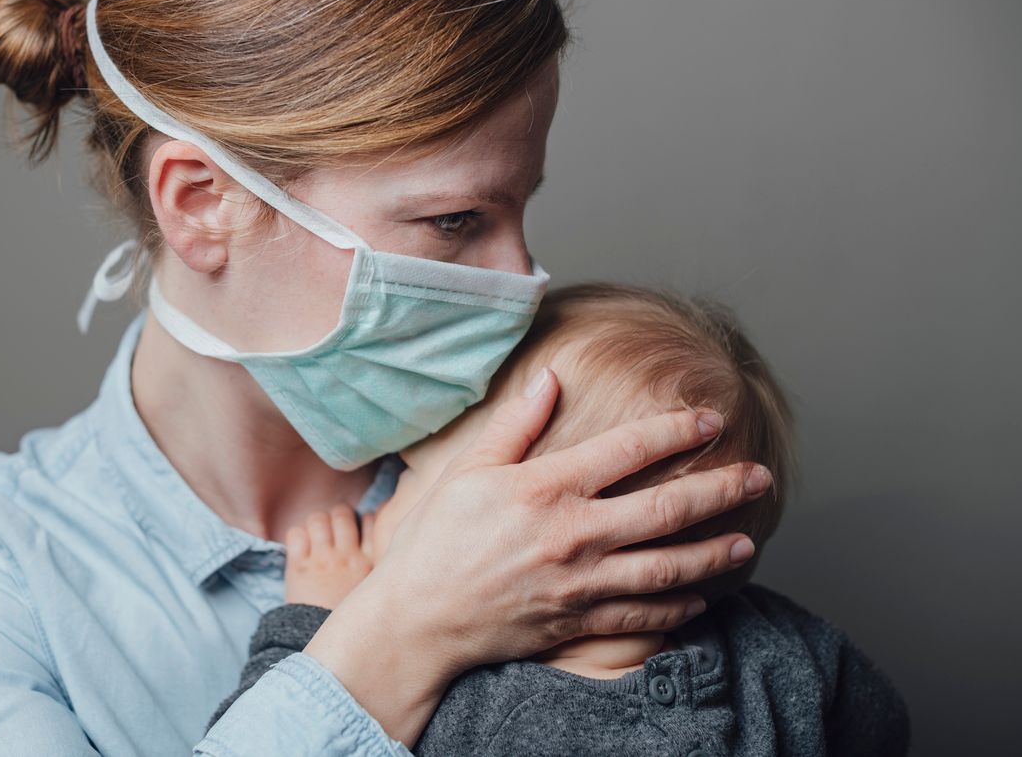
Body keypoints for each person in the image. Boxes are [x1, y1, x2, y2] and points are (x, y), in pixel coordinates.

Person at [0, 0, 772, 754]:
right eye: (456, 219)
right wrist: (414, 625)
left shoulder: (573, 481)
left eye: (518, 207)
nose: (521, 276)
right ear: (200, 204)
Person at [210, 283, 911, 755]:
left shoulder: (468, 721)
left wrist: (312, 627)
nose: (379, 485)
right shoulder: (791, 649)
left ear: (539, 537)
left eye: (411, 474)